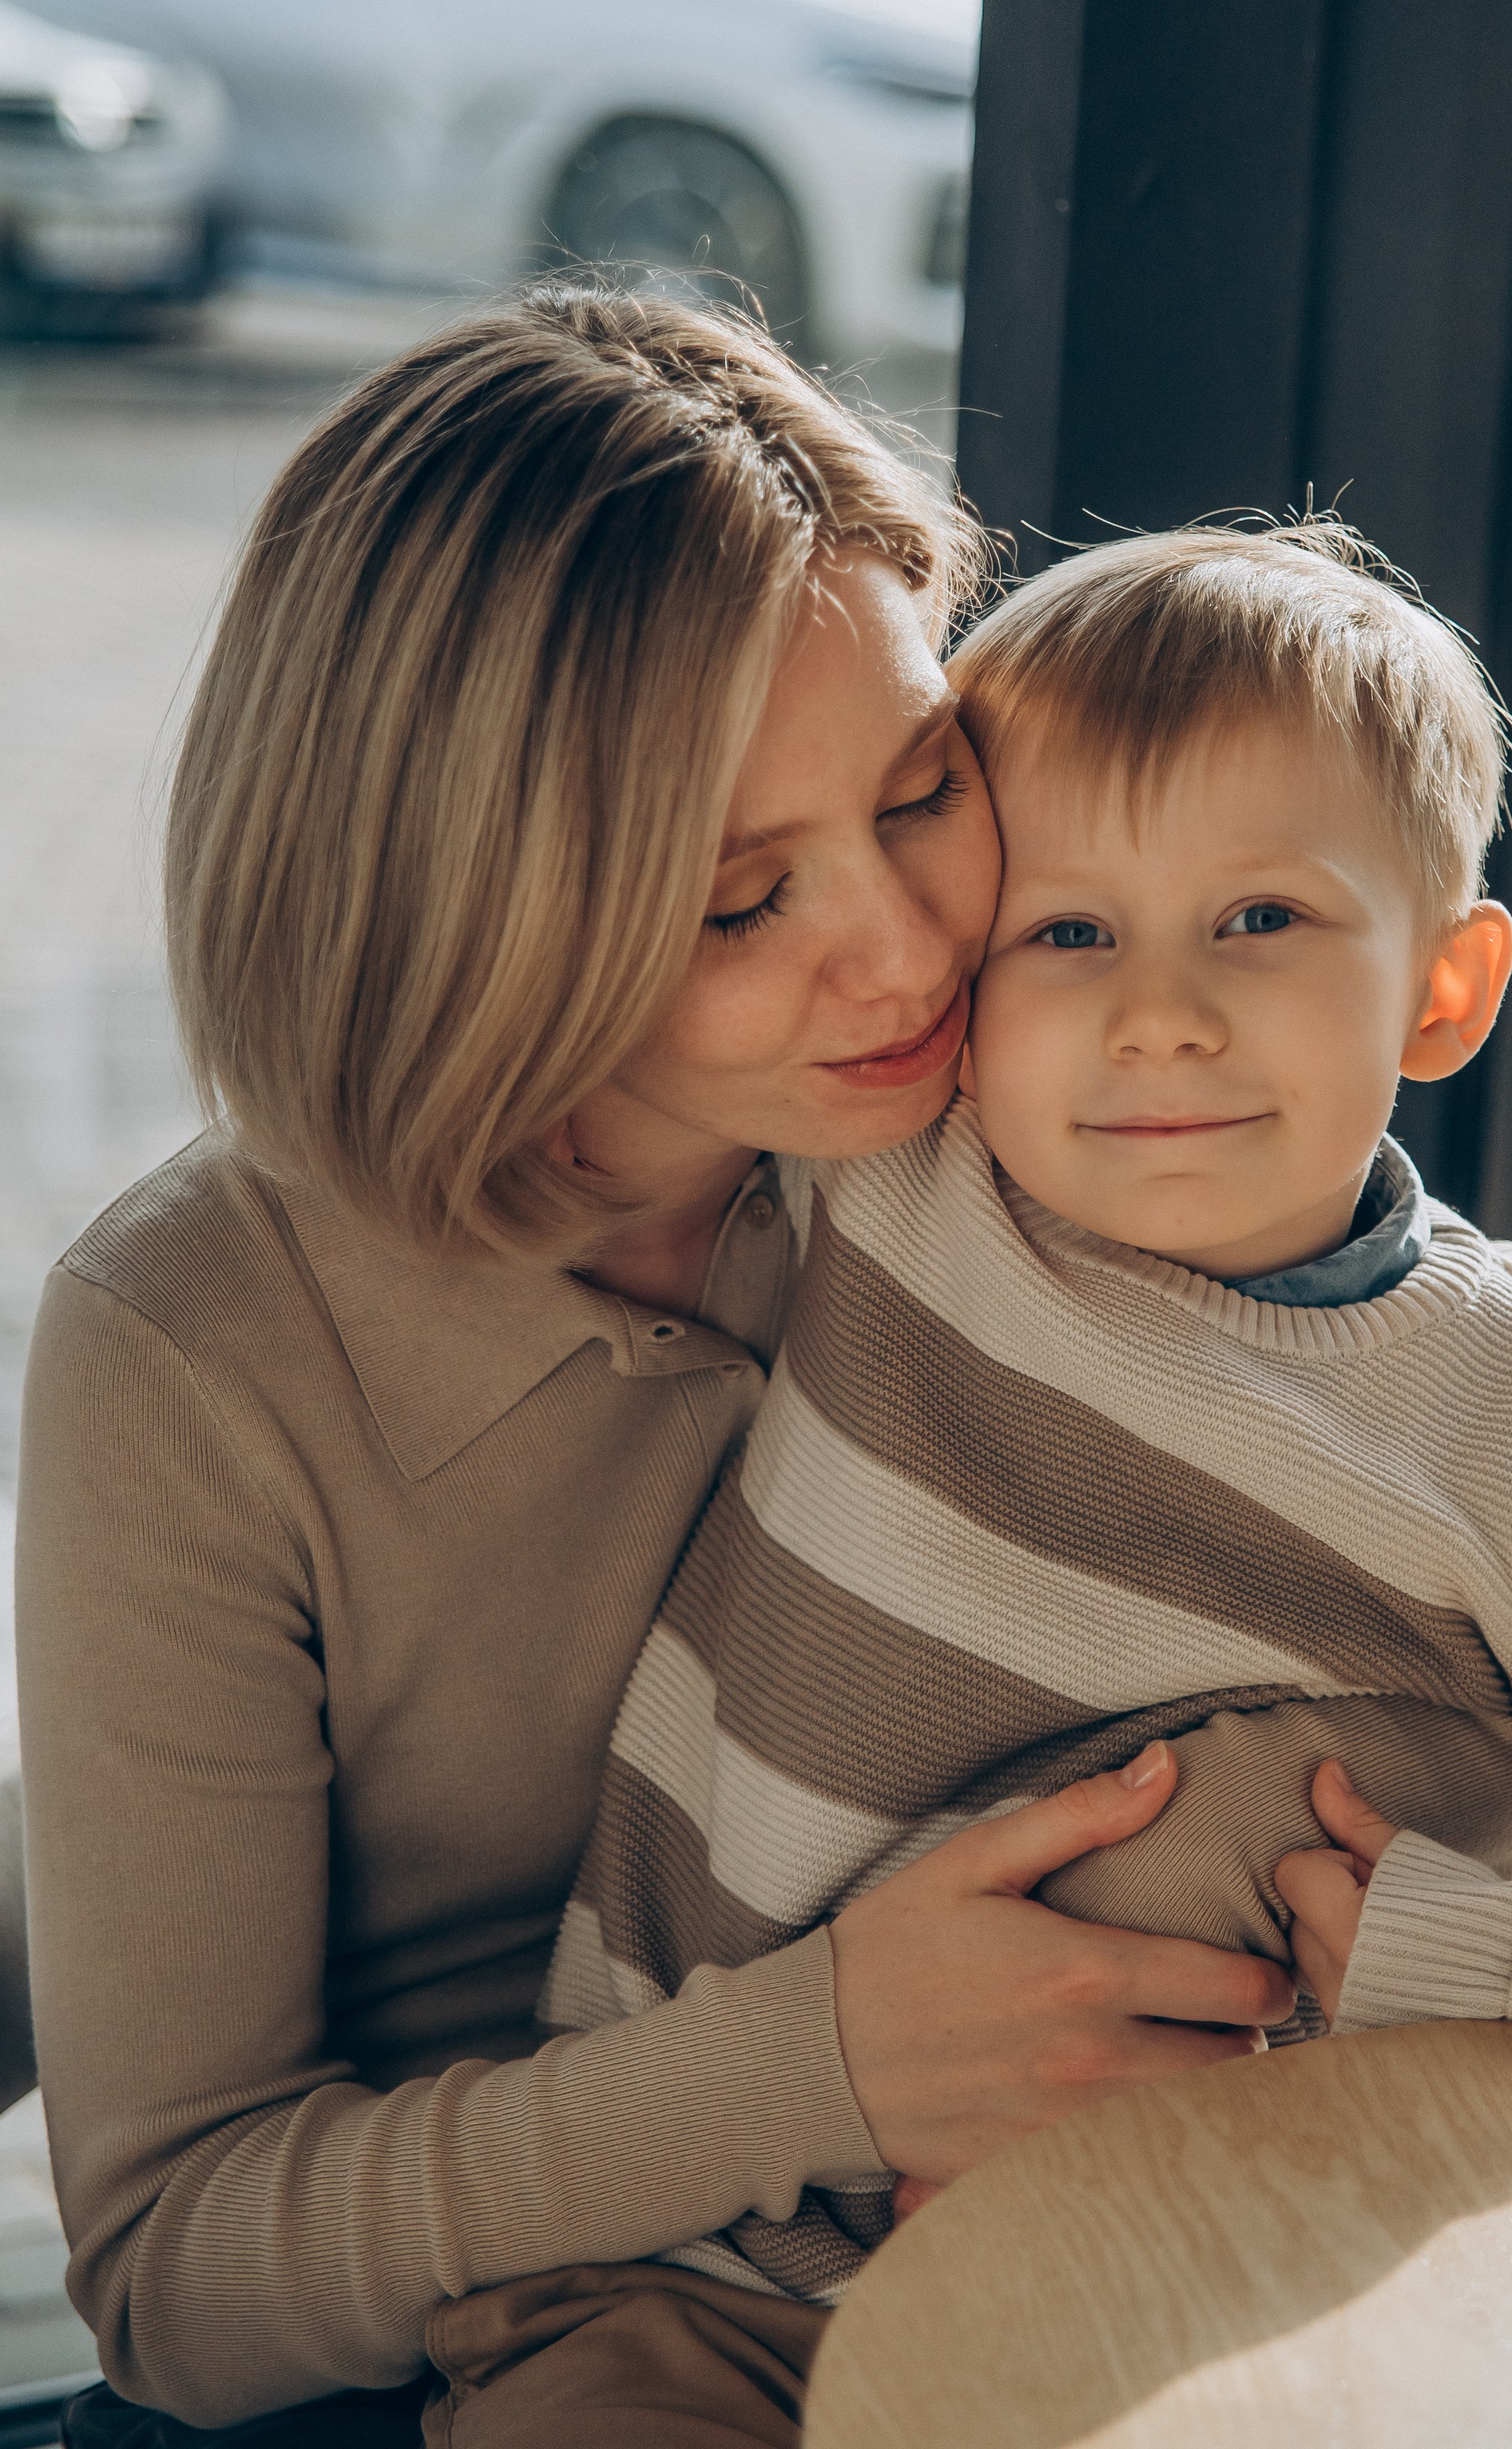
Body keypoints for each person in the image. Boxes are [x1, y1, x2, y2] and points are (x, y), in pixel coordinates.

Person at [431, 526, 1512, 2440]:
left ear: (1443, 990)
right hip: (672, 2278)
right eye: (1070, 932)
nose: (1159, 1014)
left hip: (1221, 2272)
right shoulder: (889, 1177)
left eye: (1259, 919)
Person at [18, 291, 1297, 2443]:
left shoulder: (1037, 1102)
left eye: (921, 788)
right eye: (735, 905)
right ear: (470, 913)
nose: (904, 948)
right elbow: (179, 2273)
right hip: (451, 2350)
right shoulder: (191, 1352)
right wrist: (823, 2059)